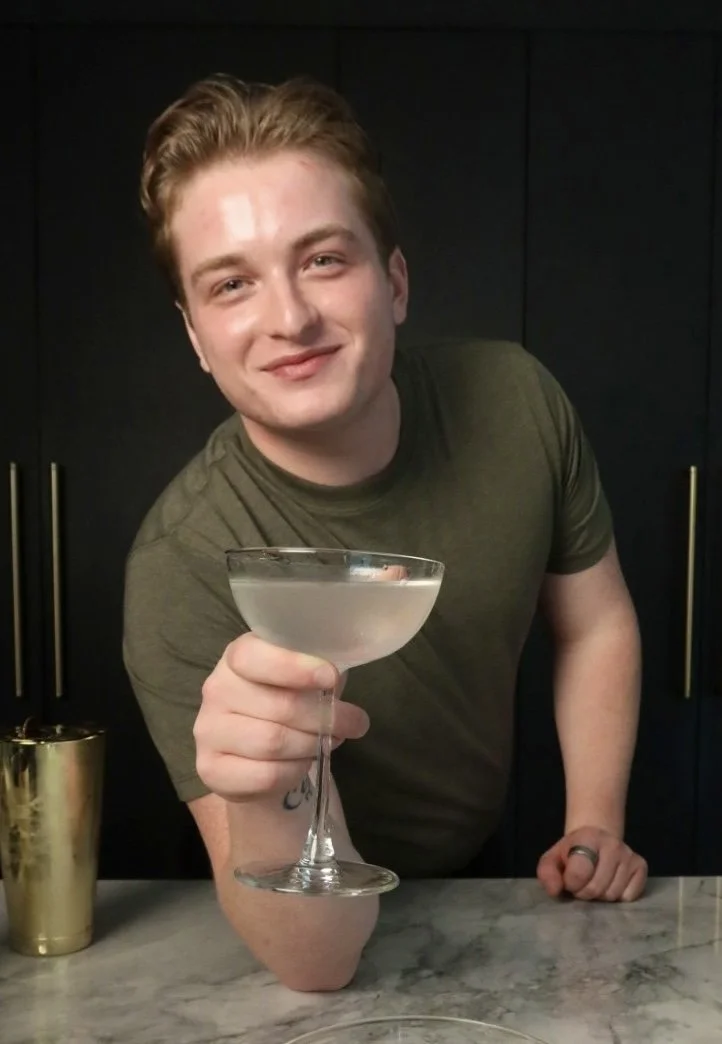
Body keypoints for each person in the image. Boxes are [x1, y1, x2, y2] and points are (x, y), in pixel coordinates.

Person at [123, 73, 647, 992]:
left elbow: (595, 623)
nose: (289, 318)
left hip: (490, 876)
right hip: (297, 921)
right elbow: (316, 967)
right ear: (197, 337)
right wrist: (260, 790)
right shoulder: (183, 565)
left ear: (394, 282)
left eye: (324, 259)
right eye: (233, 283)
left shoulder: (517, 400)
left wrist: (593, 821)